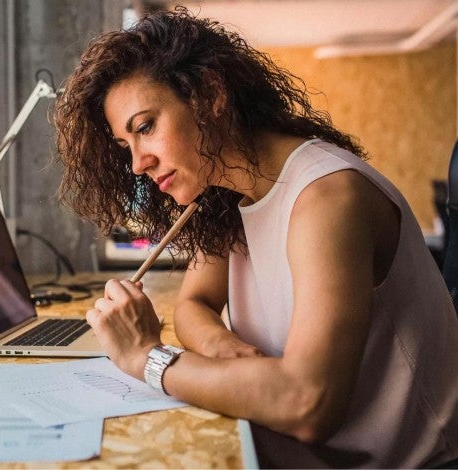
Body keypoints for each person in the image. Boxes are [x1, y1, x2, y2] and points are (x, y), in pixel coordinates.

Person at [53, 7, 458, 468]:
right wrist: (228, 352)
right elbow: (194, 305)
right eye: (126, 146)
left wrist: (147, 357)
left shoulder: (326, 197)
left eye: (145, 127)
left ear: (209, 93)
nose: (137, 164)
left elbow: (307, 405)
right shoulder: (226, 195)